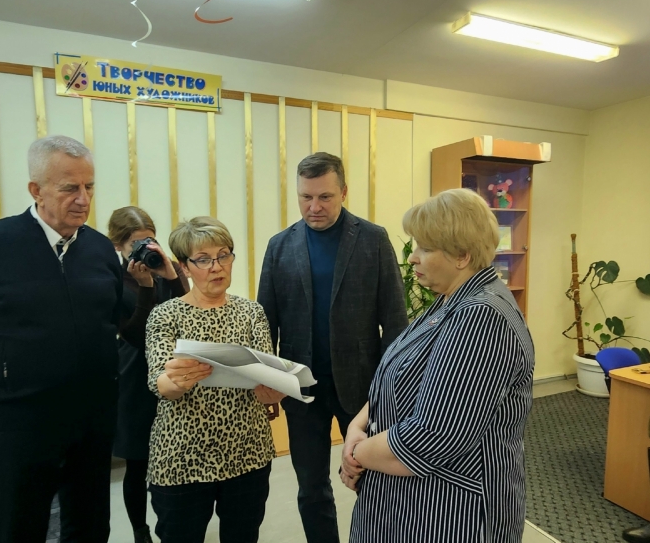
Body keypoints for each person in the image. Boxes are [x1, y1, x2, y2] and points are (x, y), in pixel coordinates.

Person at [0, 135, 123, 543]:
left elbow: (116, 322)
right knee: (18, 529)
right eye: (70, 188)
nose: (84, 199)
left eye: (89, 186)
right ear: (36, 189)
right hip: (17, 426)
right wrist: (0, 390)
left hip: (91, 424)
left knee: (90, 529)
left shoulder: (100, 249)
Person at [340, 188, 535, 543]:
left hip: (450, 512)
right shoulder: (450, 300)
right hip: (409, 501)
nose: (413, 258)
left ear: (461, 255)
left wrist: (356, 452)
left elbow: (431, 437)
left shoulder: (481, 317)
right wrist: (358, 424)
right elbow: (400, 377)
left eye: (425, 248)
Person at [257, 152, 408, 542]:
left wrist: (389, 388)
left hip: (362, 388)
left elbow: (395, 322)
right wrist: (268, 380)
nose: (314, 207)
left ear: (343, 191)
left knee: (374, 482)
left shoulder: (373, 239)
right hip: (301, 389)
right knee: (311, 487)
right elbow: (264, 324)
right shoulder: (279, 246)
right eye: (305, 197)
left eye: (324, 197)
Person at [144, 216, 285, 543]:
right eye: (203, 259)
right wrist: (176, 383)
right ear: (184, 266)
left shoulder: (251, 312)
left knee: (243, 536)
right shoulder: (165, 315)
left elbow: (266, 377)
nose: (217, 266)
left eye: (223, 256)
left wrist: (274, 391)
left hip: (247, 451)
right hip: (182, 456)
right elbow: (160, 382)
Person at [108, 206, 190, 543]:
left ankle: (174, 524)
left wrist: (170, 274)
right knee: (138, 463)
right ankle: (140, 532)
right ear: (117, 245)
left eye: (149, 241)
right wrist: (144, 287)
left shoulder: (166, 269)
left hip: (174, 373)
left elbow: (190, 314)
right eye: (135, 244)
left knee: (177, 457)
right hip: (135, 377)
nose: (144, 250)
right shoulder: (112, 281)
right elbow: (137, 336)